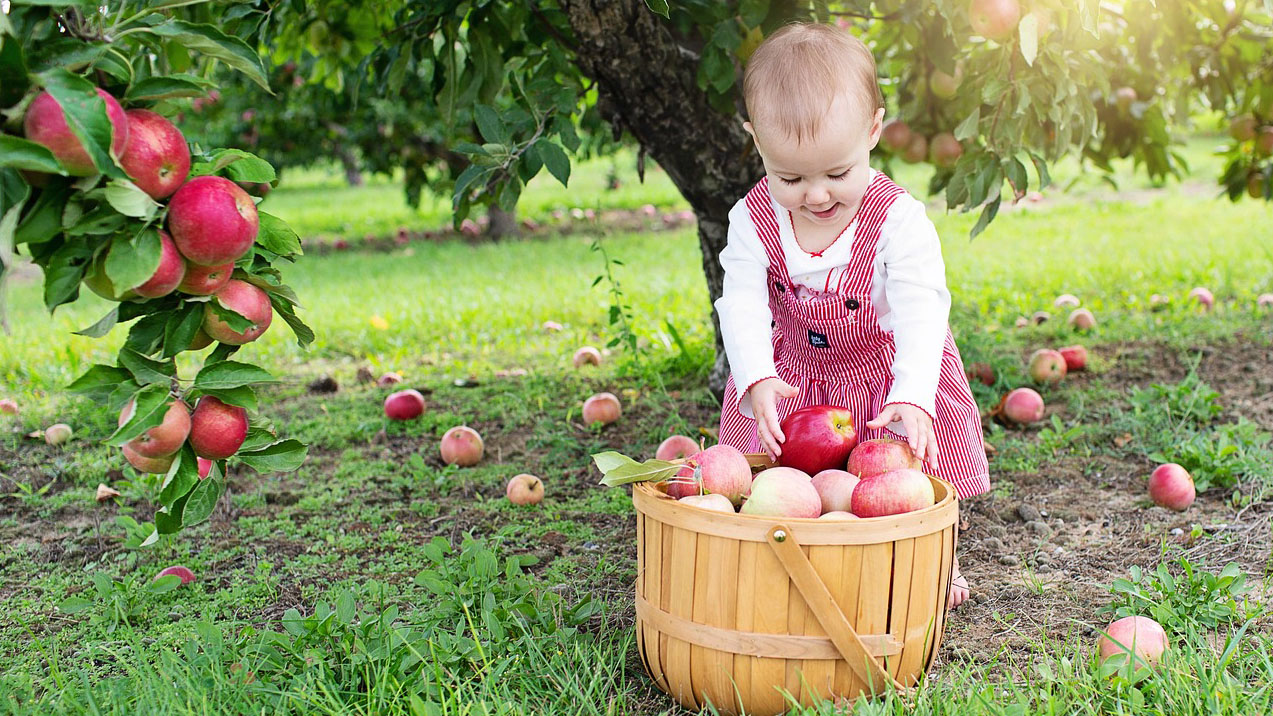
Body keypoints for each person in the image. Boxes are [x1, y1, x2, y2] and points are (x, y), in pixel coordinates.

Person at [715, 22, 990, 609]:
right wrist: (757, 377)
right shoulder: (750, 219)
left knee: (903, 476)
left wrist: (915, 394)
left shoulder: (898, 219)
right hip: (791, 376)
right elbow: (741, 301)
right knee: (778, 477)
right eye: (789, 177)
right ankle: (788, 557)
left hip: (882, 374)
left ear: (873, 131)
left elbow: (923, 309)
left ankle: (932, 561)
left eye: (837, 174)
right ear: (756, 143)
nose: (815, 196)